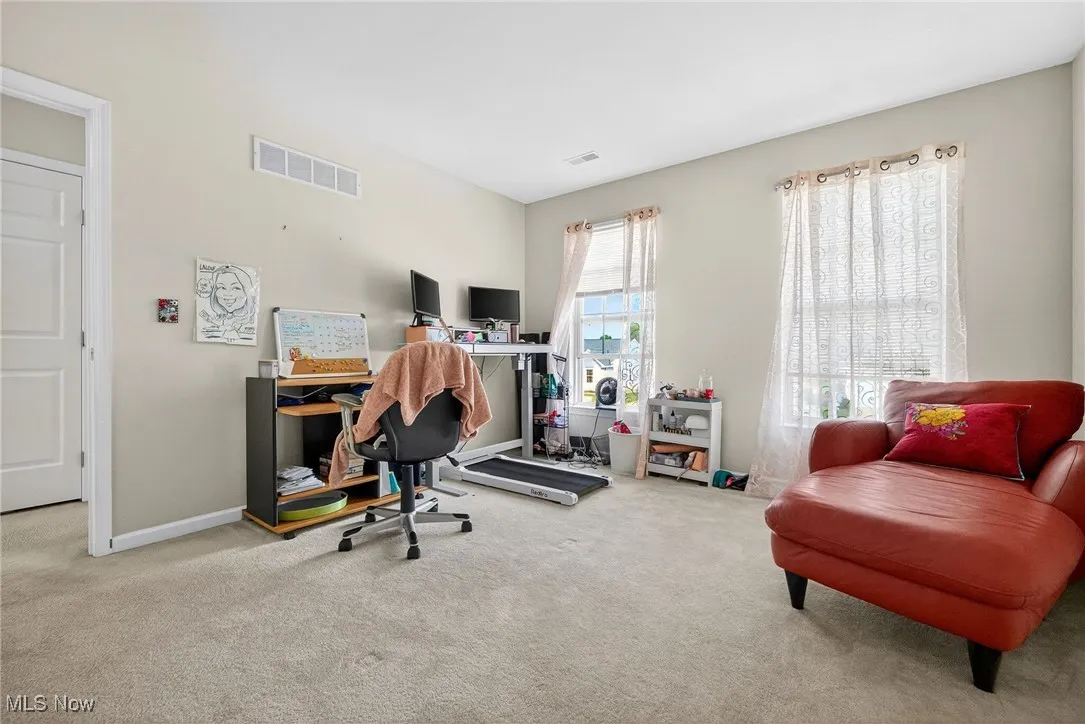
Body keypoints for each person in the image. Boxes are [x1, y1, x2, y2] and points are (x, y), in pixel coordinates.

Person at [203, 265, 256, 341]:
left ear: (247, 292)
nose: (227, 293)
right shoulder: (225, 317)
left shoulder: (238, 320)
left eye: (236, 288)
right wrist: (210, 320)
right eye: (222, 287)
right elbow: (221, 325)